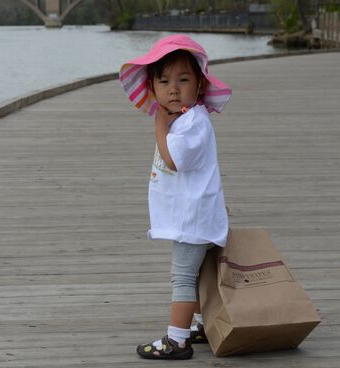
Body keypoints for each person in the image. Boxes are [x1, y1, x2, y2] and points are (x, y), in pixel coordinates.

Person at [119, 34, 232, 360]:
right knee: (194, 275)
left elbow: (174, 160)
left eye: (183, 80)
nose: (173, 88)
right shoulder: (184, 119)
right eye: (164, 80)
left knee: (182, 277)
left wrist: (159, 126)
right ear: (152, 87)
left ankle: (177, 340)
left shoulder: (191, 122)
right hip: (193, 213)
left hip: (192, 216)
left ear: (199, 85)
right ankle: (199, 324)